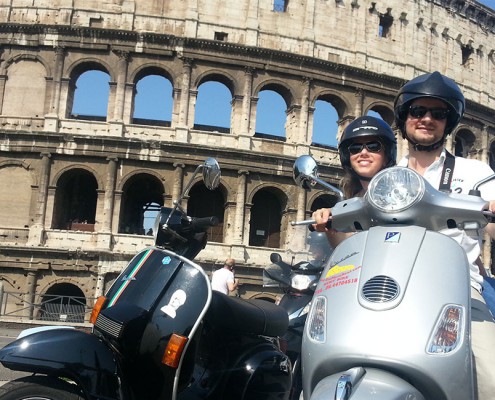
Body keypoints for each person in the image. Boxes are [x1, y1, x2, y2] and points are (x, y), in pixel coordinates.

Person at [393, 70, 495, 400]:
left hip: (460, 292)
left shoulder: (475, 173)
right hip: (393, 289)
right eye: (417, 111)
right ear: (404, 117)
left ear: (448, 123)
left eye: (438, 114)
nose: (426, 119)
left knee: (491, 376)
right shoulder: (388, 179)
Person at [311, 115, 397, 247]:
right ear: (347, 158)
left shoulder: (401, 194)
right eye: (355, 148)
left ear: (387, 156)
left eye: (373, 146)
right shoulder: (351, 201)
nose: (363, 152)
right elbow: (346, 248)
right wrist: (329, 226)